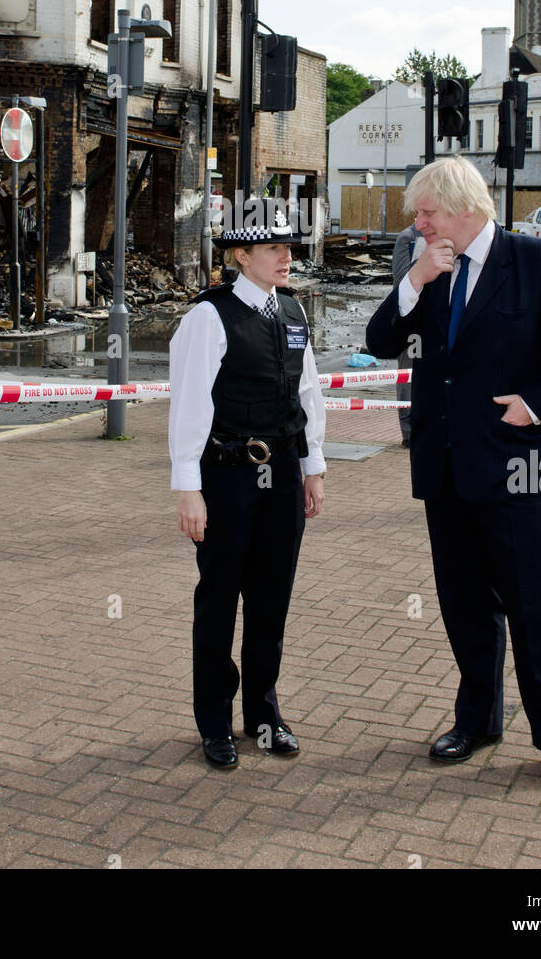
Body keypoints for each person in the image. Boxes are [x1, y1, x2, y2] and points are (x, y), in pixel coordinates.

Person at [365, 157, 541, 800]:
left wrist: (535, 403)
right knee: (466, 610)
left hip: (517, 470)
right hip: (445, 470)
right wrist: (415, 277)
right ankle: (476, 723)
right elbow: (382, 337)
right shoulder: (430, 268)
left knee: (537, 612)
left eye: (427, 213)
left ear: (463, 208)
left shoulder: (540, 262)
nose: (417, 223)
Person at [169, 202, 326, 769]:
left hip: (282, 474)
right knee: (219, 600)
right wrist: (188, 487)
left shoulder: (292, 310)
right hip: (228, 476)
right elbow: (189, 403)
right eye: (273, 248)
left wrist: (313, 466)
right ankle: (214, 720)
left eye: (289, 247)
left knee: (270, 601)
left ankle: (263, 714)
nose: (287, 256)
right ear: (241, 256)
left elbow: (306, 394)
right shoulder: (208, 317)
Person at [391, 221, 424, 447]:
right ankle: (408, 430)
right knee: (408, 376)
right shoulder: (408, 238)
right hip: (412, 324)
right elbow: (401, 281)